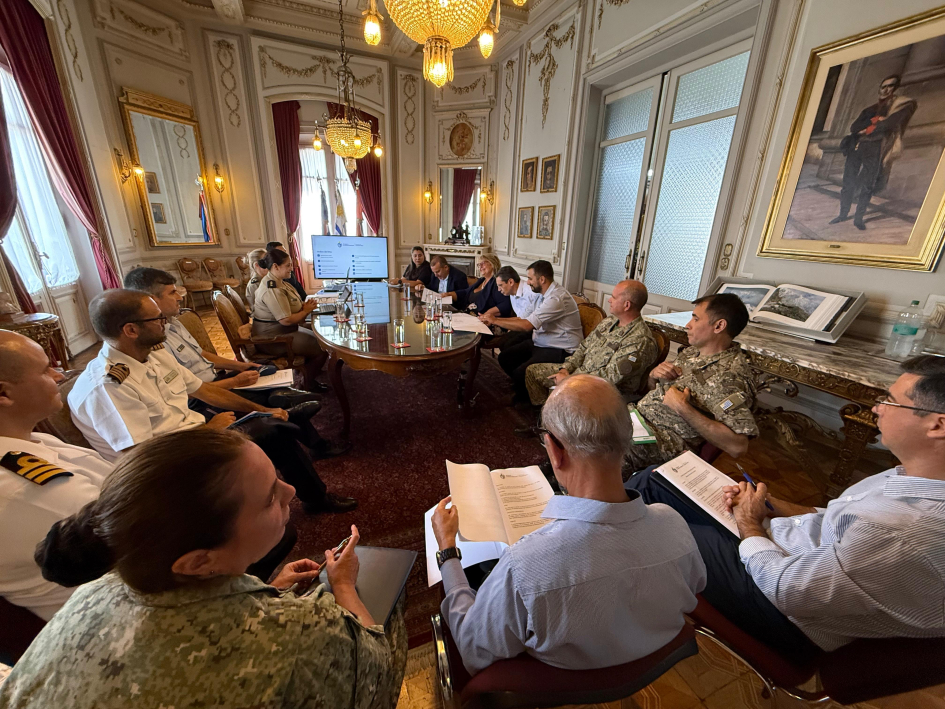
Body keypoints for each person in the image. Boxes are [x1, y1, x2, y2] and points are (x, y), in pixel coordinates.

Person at [0, 428, 406, 708]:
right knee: (386, 593)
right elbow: (378, 668)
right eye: (269, 499)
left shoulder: (96, 588)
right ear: (198, 562)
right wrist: (343, 586)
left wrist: (270, 590)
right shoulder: (303, 631)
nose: (292, 491)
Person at [626, 355, 945, 660]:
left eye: (890, 401)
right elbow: (832, 519)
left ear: (937, 425)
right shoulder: (916, 476)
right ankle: (604, 538)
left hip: (781, 608)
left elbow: (788, 591)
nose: (877, 408)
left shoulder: (904, 530)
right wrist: (771, 505)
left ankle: (610, 576)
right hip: (781, 552)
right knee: (655, 480)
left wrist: (751, 525)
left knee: (658, 524)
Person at [431, 376, 705, 674]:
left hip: (554, 680)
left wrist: (447, 551)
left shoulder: (525, 565)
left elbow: (473, 648)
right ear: (628, 438)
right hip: (656, 662)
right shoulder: (674, 524)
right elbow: (695, 585)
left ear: (555, 450)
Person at [68, 289, 355, 513]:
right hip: (162, 467)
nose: (165, 324)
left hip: (193, 434)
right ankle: (305, 495)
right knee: (272, 433)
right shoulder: (108, 386)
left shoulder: (153, 353)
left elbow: (206, 392)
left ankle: (308, 492)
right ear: (130, 330)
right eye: (157, 320)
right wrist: (209, 431)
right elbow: (139, 455)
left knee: (271, 426)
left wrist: (261, 409)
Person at [0, 332, 111, 620]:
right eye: (45, 370)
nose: (59, 376)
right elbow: (145, 540)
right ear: (4, 394)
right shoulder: (29, 488)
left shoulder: (32, 441)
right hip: (110, 617)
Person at [124, 267, 329, 403]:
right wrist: (236, 381)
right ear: (150, 300)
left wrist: (242, 366)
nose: (179, 297)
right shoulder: (151, 341)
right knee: (285, 399)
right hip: (205, 395)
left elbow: (201, 354)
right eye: (172, 293)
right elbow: (186, 393)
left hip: (216, 379)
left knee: (271, 374)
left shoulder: (173, 322)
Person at [626, 293, 757, 469]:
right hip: (637, 420)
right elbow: (655, 392)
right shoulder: (692, 352)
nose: (688, 325)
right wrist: (653, 376)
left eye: (695, 319)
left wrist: (683, 408)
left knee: (597, 446)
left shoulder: (729, 376)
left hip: (662, 443)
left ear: (719, 325)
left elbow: (738, 446)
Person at [524, 280, 658, 408]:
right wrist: (566, 369)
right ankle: (545, 414)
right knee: (533, 372)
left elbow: (610, 377)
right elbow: (583, 347)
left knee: (563, 393)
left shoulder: (640, 340)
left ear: (626, 305)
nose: (609, 300)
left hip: (603, 390)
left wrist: (570, 380)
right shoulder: (609, 322)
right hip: (578, 374)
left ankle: (558, 421)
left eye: (613, 297)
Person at [480, 260, 583, 405]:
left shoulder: (556, 298)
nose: (527, 282)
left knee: (520, 371)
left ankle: (525, 399)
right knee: (505, 357)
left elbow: (527, 325)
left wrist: (495, 320)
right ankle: (524, 388)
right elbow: (525, 319)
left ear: (542, 279)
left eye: (530, 278)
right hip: (542, 341)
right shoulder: (545, 294)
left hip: (561, 348)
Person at [830, 74, 917, 231]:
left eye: (890, 86)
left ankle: (858, 219)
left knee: (867, 185)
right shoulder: (869, 110)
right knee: (848, 183)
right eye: (883, 87)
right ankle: (842, 215)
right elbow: (854, 128)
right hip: (856, 148)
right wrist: (873, 121)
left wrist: (869, 128)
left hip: (874, 148)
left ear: (895, 89)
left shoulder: (898, 107)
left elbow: (889, 125)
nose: (886, 89)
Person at [252, 249, 328, 388]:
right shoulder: (272, 289)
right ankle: (308, 384)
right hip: (274, 338)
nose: (291, 268)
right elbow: (285, 320)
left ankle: (310, 371)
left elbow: (291, 305)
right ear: (275, 266)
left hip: (283, 331)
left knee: (320, 334)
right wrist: (306, 311)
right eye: (287, 265)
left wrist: (304, 307)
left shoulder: (279, 281)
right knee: (322, 347)